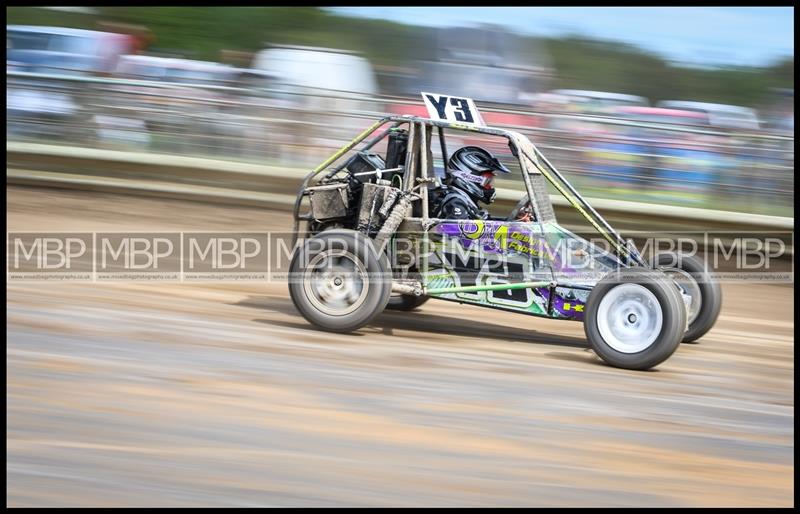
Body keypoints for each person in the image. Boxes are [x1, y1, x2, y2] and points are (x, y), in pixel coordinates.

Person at [431, 146, 510, 220]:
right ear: (467, 177)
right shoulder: (456, 202)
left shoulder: (467, 201)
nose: (490, 186)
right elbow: (456, 232)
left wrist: (513, 221)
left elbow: (486, 225)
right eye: (487, 180)